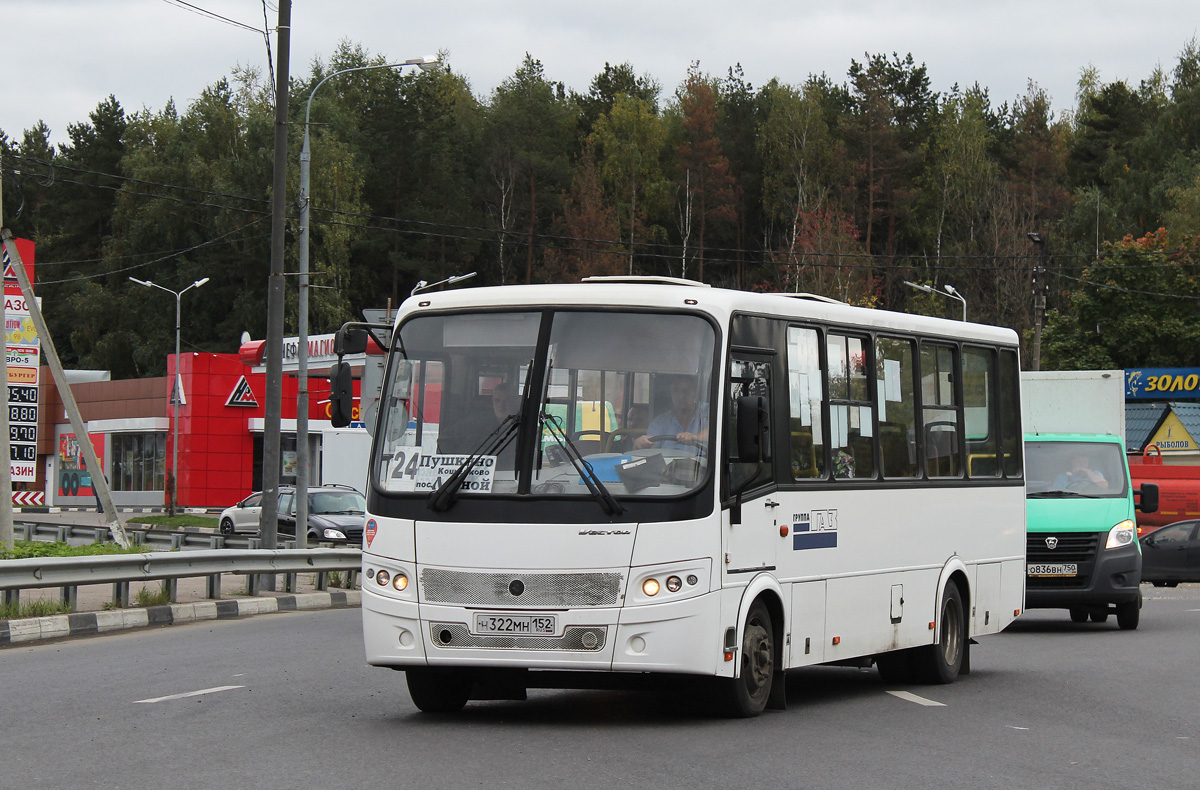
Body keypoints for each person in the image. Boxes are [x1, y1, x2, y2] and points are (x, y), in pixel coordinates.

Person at [635, 377, 708, 452]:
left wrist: (696, 437)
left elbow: (717, 429)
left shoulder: (709, 411)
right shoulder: (660, 422)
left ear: (695, 392)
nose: (680, 396)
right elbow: (651, 449)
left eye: (685, 391)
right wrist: (641, 444)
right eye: (675, 391)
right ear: (671, 394)